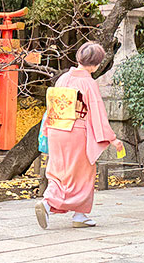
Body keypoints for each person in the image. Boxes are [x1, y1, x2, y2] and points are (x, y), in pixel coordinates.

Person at [35, 42, 123, 229]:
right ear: (96, 64)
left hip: (56, 129)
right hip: (76, 131)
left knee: (59, 170)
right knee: (83, 173)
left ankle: (73, 212)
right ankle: (51, 206)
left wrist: (46, 130)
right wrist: (111, 138)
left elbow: (51, 107)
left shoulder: (63, 79)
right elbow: (98, 114)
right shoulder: (88, 83)